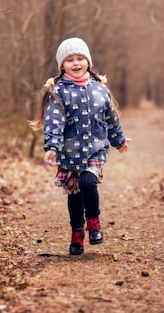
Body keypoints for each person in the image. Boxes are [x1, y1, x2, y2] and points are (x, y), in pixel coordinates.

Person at [30, 37, 129, 256]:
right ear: (62, 66)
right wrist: (52, 147)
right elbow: (54, 122)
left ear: (88, 62)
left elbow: (111, 118)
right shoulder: (58, 92)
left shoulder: (100, 90)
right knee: (74, 195)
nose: (76, 63)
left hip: (95, 150)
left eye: (80, 58)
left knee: (87, 181)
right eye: (70, 60)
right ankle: (77, 234)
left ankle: (93, 223)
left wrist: (118, 140)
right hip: (69, 153)